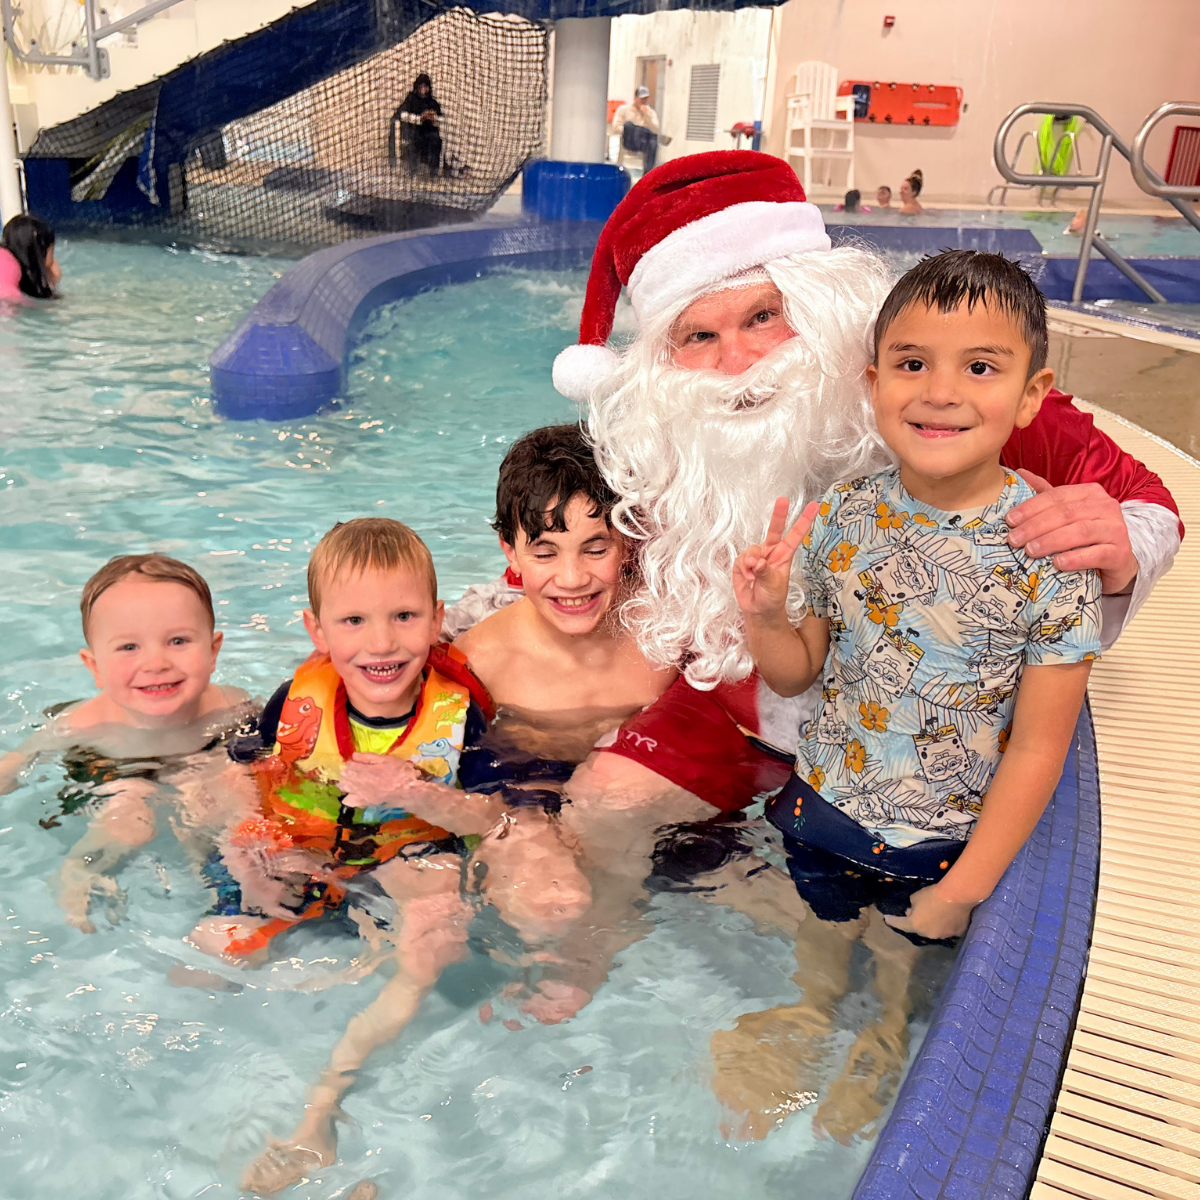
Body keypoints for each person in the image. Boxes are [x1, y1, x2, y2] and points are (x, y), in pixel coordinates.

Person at [540, 149, 1180, 1133]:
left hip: (920, 735)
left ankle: (870, 1008)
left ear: (828, 305)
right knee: (600, 804)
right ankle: (603, 965)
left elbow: (1147, 500)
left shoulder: (937, 398)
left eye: (765, 315)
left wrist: (1120, 538)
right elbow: (583, 566)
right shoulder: (661, 440)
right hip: (742, 688)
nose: (741, 360)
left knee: (897, 911)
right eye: (699, 336)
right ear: (659, 366)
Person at [740, 249, 1099, 943]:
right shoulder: (840, 514)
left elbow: (1037, 749)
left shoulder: (1050, 552)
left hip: (938, 848)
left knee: (896, 1008)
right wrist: (762, 616)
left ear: (1032, 393)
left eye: (980, 367)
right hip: (820, 809)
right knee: (817, 968)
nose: (940, 391)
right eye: (912, 364)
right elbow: (797, 672)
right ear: (874, 384)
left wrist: (962, 894)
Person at [0, 554, 251, 931]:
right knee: (130, 820)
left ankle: (232, 902)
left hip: (204, 754)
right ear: (94, 666)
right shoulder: (84, 723)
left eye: (178, 641)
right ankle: (77, 876)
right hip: (112, 766)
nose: (156, 662)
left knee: (225, 799)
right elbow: (19, 761)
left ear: (213, 651)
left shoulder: (231, 707)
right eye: (129, 648)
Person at [389, 73, 442, 176]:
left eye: (426, 86)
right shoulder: (411, 99)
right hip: (413, 132)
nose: (423, 89)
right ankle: (412, 170)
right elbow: (401, 114)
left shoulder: (432, 102)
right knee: (415, 142)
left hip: (429, 133)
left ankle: (433, 171)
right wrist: (418, 119)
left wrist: (433, 118)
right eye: (421, 86)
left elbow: (441, 118)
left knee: (436, 141)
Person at [0, 214, 60, 298]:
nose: (54, 262)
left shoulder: (7, 259)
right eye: (52, 254)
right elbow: (6, 299)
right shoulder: (7, 265)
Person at [612, 85, 663, 172]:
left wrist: (646, 116)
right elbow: (616, 127)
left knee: (653, 141)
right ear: (635, 98)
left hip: (643, 141)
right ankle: (637, 130)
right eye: (642, 98)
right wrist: (632, 130)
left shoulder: (650, 112)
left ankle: (647, 173)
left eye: (645, 99)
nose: (643, 101)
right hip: (629, 140)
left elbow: (655, 130)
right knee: (629, 125)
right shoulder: (624, 110)